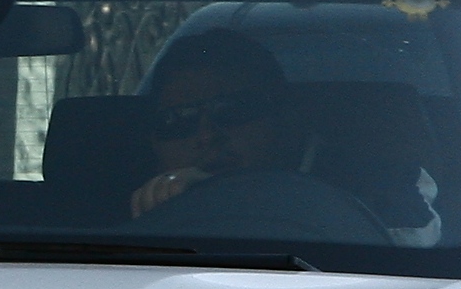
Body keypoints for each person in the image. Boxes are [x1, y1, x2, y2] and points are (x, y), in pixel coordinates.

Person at [127, 30, 390, 244]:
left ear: (287, 119)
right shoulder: (102, 228)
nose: (207, 135)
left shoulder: (379, 186)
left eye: (233, 110)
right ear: (153, 140)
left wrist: (218, 194)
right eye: (179, 119)